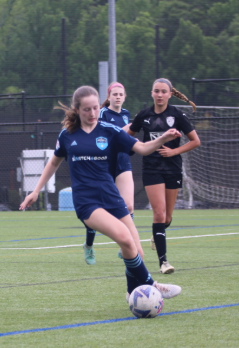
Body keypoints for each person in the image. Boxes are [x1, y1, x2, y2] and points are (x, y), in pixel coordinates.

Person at [19, 85, 182, 300]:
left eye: (96, 108)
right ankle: (154, 285)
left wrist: (162, 139)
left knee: (137, 252)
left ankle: (132, 292)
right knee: (124, 238)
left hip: (111, 197)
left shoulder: (109, 131)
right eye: (87, 109)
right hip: (87, 203)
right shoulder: (67, 136)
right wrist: (35, 191)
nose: (93, 113)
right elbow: (53, 163)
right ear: (77, 110)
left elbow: (141, 148)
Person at [127, 78, 201, 274]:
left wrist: (174, 152)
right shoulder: (144, 115)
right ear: (151, 93)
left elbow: (195, 141)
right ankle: (164, 262)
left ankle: (157, 233)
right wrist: (125, 147)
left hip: (173, 168)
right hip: (151, 169)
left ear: (170, 94)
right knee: (158, 214)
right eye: (156, 91)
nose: (159, 95)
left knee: (167, 217)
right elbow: (128, 134)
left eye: (163, 92)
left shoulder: (177, 115)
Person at [82, 82, 135, 264]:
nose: (118, 97)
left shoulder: (127, 114)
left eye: (121, 94)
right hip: (105, 166)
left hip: (123, 163)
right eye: (115, 94)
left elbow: (127, 139)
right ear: (109, 96)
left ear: (125, 96)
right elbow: (105, 136)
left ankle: (124, 245)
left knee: (128, 206)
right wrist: (125, 131)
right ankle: (89, 245)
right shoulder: (102, 114)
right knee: (97, 209)